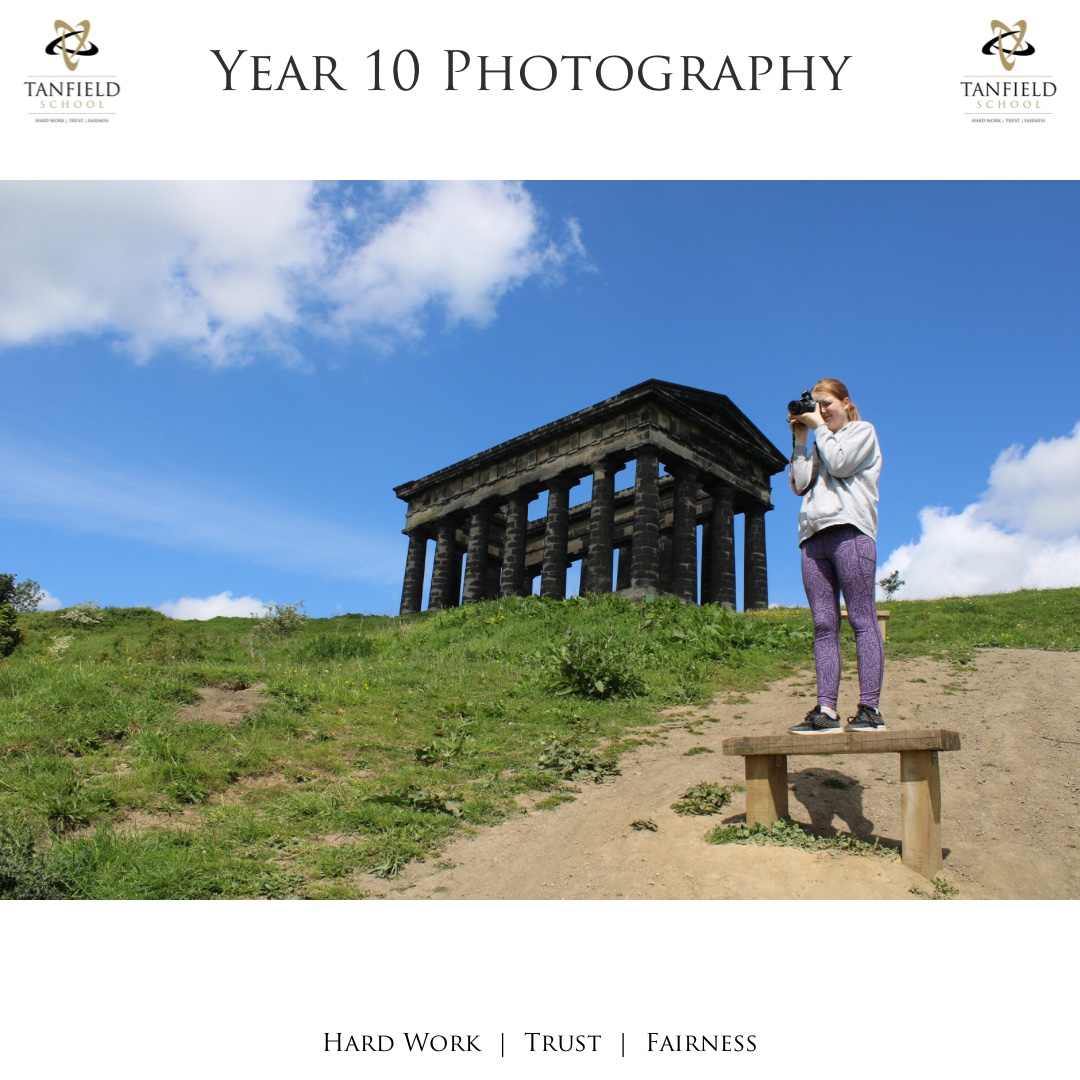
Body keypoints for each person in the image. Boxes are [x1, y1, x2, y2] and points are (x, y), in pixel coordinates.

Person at [787, 378, 885, 733]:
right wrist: (801, 438)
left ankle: (870, 708)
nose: (821, 411)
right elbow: (799, 484)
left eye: (825, 404)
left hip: (850, 532)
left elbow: (841, 464)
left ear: (845, 402)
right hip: (813, 539)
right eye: (816, 406)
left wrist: (818, 431)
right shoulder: (818, 443)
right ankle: (826, 709)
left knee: (861, 619)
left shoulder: (862, 432)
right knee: (824, 626)